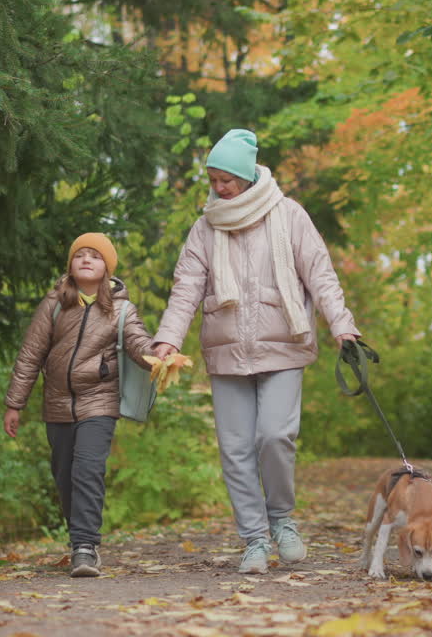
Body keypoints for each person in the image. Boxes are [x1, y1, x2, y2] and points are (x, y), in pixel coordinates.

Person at [152, 128, 360, 575]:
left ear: (247, 176)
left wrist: (342, 326)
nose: (219, 187)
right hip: (226, 352)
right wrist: (168, 338)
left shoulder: (288, 215)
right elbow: (186, 287)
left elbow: (319, 274)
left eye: (226, 179)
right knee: (235, 448)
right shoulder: (205, 227)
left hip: (284, 345)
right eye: (213, 180)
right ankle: (253, 538)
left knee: (274, 436)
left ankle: (282, 518)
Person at [3, 233, 155, 577]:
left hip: (98, 401)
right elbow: (30, 355)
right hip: (56, 403)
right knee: (64, 476)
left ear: (107, 268)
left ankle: (86, 547)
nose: (87, 260)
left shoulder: (121, 309)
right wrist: (15, 403)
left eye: (95, 256)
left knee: (87, 470)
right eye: (80, 255)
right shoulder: (54, 304)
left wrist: (161, 355)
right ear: (71, 265)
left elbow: (139, 344)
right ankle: (79, 541)